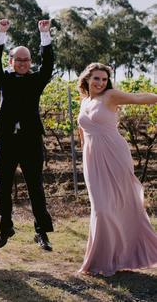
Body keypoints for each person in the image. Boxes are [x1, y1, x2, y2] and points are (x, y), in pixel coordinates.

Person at [76, 63, 157, 276]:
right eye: (96, 78)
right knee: (101, 208)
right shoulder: (84, 101)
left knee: (121, 204)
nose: (100, 83)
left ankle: (112, 259)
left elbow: (138, 98)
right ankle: (104, 259)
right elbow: (82, 129)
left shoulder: (110, 96)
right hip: (92, 159)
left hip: (114, 154)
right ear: (87, 79)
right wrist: (85, 150)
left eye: (104, 79)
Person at [0, 18, 54, 251]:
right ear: (12, 60)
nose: (23, 63)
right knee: (2, 186)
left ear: (30, 62)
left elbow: (48, 65)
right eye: (19, 59)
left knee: (35, 186)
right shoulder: (3, 79)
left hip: (31, 141)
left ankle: (42, 233)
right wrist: (1, 34)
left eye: (26, 60)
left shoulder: (37, 80)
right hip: (6, 140)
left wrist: (44, 36)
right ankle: (5, 228)